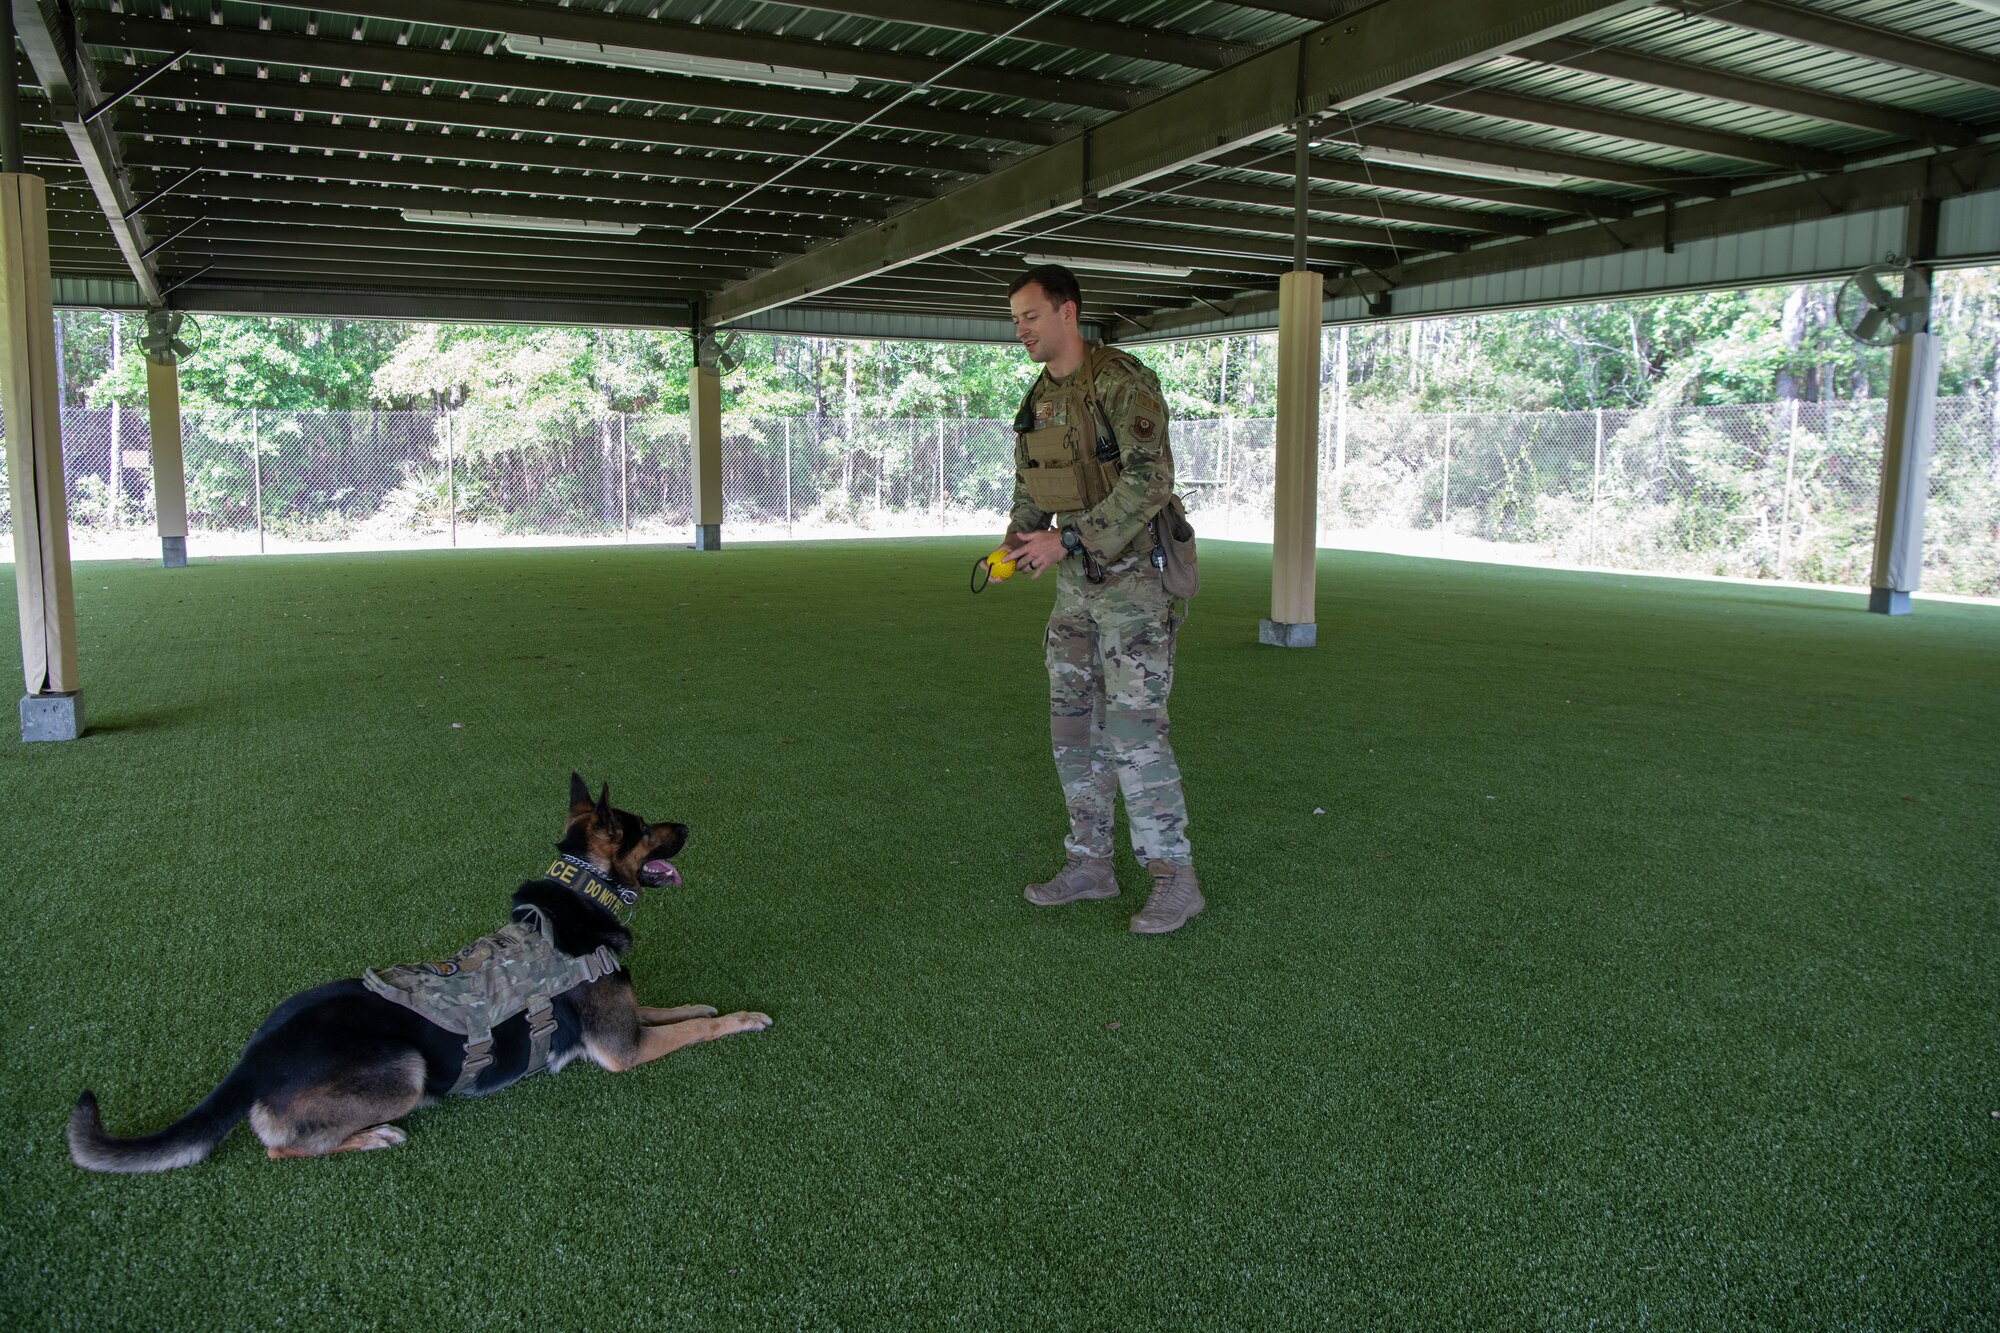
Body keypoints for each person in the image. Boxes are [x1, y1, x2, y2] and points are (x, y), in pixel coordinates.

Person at [999, 264, 1202, 935]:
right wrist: (1016, 544)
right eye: (1015, 321)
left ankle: (1175, 878)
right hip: (1074, 593)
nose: (1022, 331)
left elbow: (1152, 477)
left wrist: (1071, 541)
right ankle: (1090, 863)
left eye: (1031, 316)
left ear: (1067, 313)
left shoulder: (1120, 380)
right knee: (1073, 730)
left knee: (1135, 731)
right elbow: (1032, 484)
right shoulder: (1038, 399)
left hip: (1134, 585)